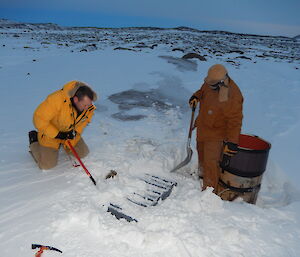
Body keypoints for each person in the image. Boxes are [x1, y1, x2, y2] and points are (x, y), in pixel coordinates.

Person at [189, 64, 243, 192]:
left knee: (211, 163)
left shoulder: (233, 95)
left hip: (216, 133)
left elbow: (235, 121)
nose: (209, 85)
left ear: (221, 82)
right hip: (203, 125)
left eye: (212, 84)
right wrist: (196, 96)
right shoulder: (211, 82)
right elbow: (203, 90)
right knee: (201, 153)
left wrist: (232, 142)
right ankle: (203, 176)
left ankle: (209, 192)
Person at [28, 80, 97, 170]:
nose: (87, 108)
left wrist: (75, 133)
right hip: (51, 135)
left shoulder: (88, 107)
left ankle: (65, 146)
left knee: (83, 153)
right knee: (47, 165)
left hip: (68, 134)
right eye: (85, 105)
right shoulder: (56, 100)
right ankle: (34, 141)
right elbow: (38, 119)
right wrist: (57, 134)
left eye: (89, 104)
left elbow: (83, 122)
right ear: (76, 99)